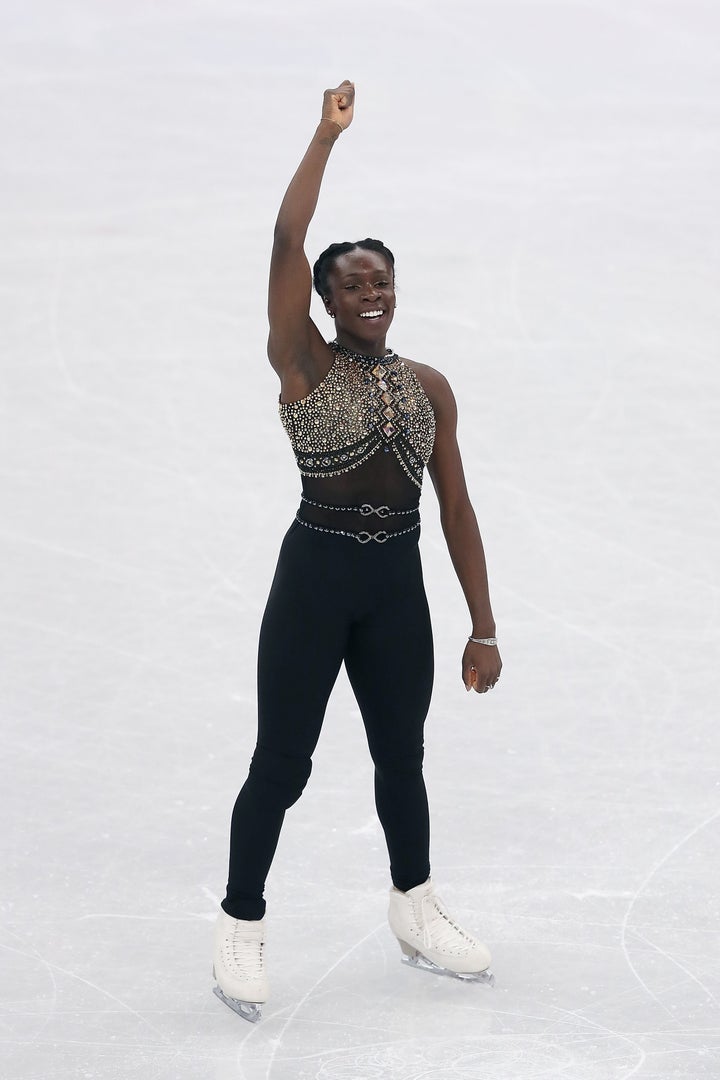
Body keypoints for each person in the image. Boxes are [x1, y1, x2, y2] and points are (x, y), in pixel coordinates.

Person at [213, 81, 502, 1022]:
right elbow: (285, 242)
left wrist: (484, 625)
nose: (371, 293)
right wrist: (325, 136)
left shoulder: (429, 385)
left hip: (396, 588)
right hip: (316, 579)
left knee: (401, 756)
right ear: (326, 300)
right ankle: (241, 922)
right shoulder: (303, 362)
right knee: (282, 764)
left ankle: (413, 906)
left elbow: (456, 504)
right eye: (354, 283)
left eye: (382, 280)